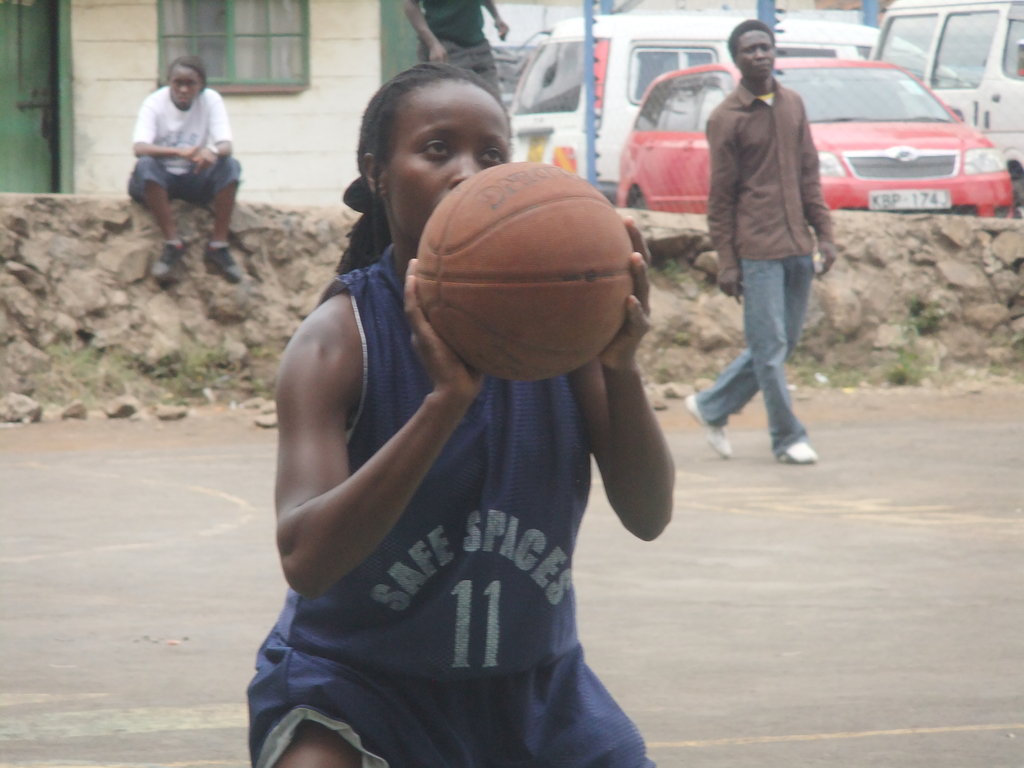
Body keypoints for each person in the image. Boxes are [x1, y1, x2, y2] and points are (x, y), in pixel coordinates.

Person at [246, 63, 675, 768]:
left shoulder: (559, 330)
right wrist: (443, 406)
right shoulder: (338, 341)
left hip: (534, 690)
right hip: (360, 687)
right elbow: (307, 560)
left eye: (491, 154)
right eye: (437, 149)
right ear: (377, 171)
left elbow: (649, 514)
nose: (467, 172)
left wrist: (620, 367)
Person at [685, 19, 838, 466]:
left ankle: (711, 406)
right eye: (750, 50)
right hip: (757, 252)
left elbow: (809, 175)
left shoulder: (793, 105)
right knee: (769, 352)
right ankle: (788, 438)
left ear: (775, 53)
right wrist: (727, 263)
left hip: (797, 246)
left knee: (780, 346)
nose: (760, 56)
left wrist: (825, 235)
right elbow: (721, 199)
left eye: (765, 48)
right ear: (736, 60)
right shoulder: (726, 119)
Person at [128, 55, 243, 287]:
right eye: (177, 83)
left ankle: (218, 246)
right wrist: (178, 153)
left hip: (193, 176)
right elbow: (139, 147)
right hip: (161, 179)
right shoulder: (154, 103)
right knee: (146, 166)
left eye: (190, 83)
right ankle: (173, 243)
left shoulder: (211, 100)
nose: (183, 89)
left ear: (201, 86)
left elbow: (226, 145)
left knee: (230, 166)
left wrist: (210, 151)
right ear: (168, 82)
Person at [403, 0, 509, 93]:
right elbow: (410, 3)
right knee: (451, 106)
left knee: (492, 103)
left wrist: (497, 17)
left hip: (478, 45)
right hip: (445, 48)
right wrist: (433, 44)